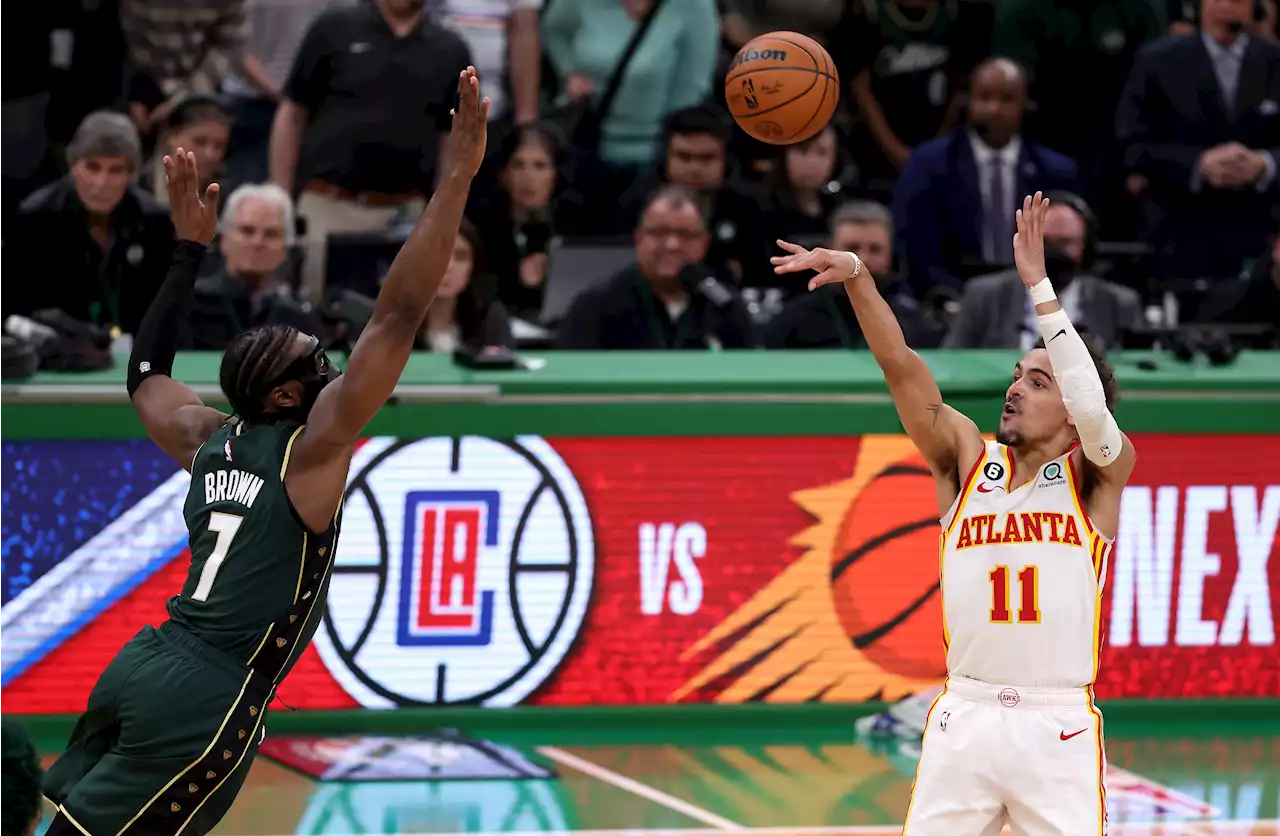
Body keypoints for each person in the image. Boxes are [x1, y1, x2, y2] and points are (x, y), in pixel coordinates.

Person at [41, 68, 490, 836]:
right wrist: (456, 178)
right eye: (315, 364)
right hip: (207, 696)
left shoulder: (207, 439)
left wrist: (188, 251)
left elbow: (146, 373)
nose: (329, 369)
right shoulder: (310, 454)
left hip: (143, 663)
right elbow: (399, 315)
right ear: (286, 398)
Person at [771, 191, 1137, 836]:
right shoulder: (967, 459)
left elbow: (1090, 398)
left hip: (1057, 726)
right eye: (1017, 374)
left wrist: (1039, 288)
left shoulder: (1096, 476)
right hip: (962, 715)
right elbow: (901, 368)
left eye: (1038, 381)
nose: (1015, 387)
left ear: (1075, 410)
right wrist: (858, 276)